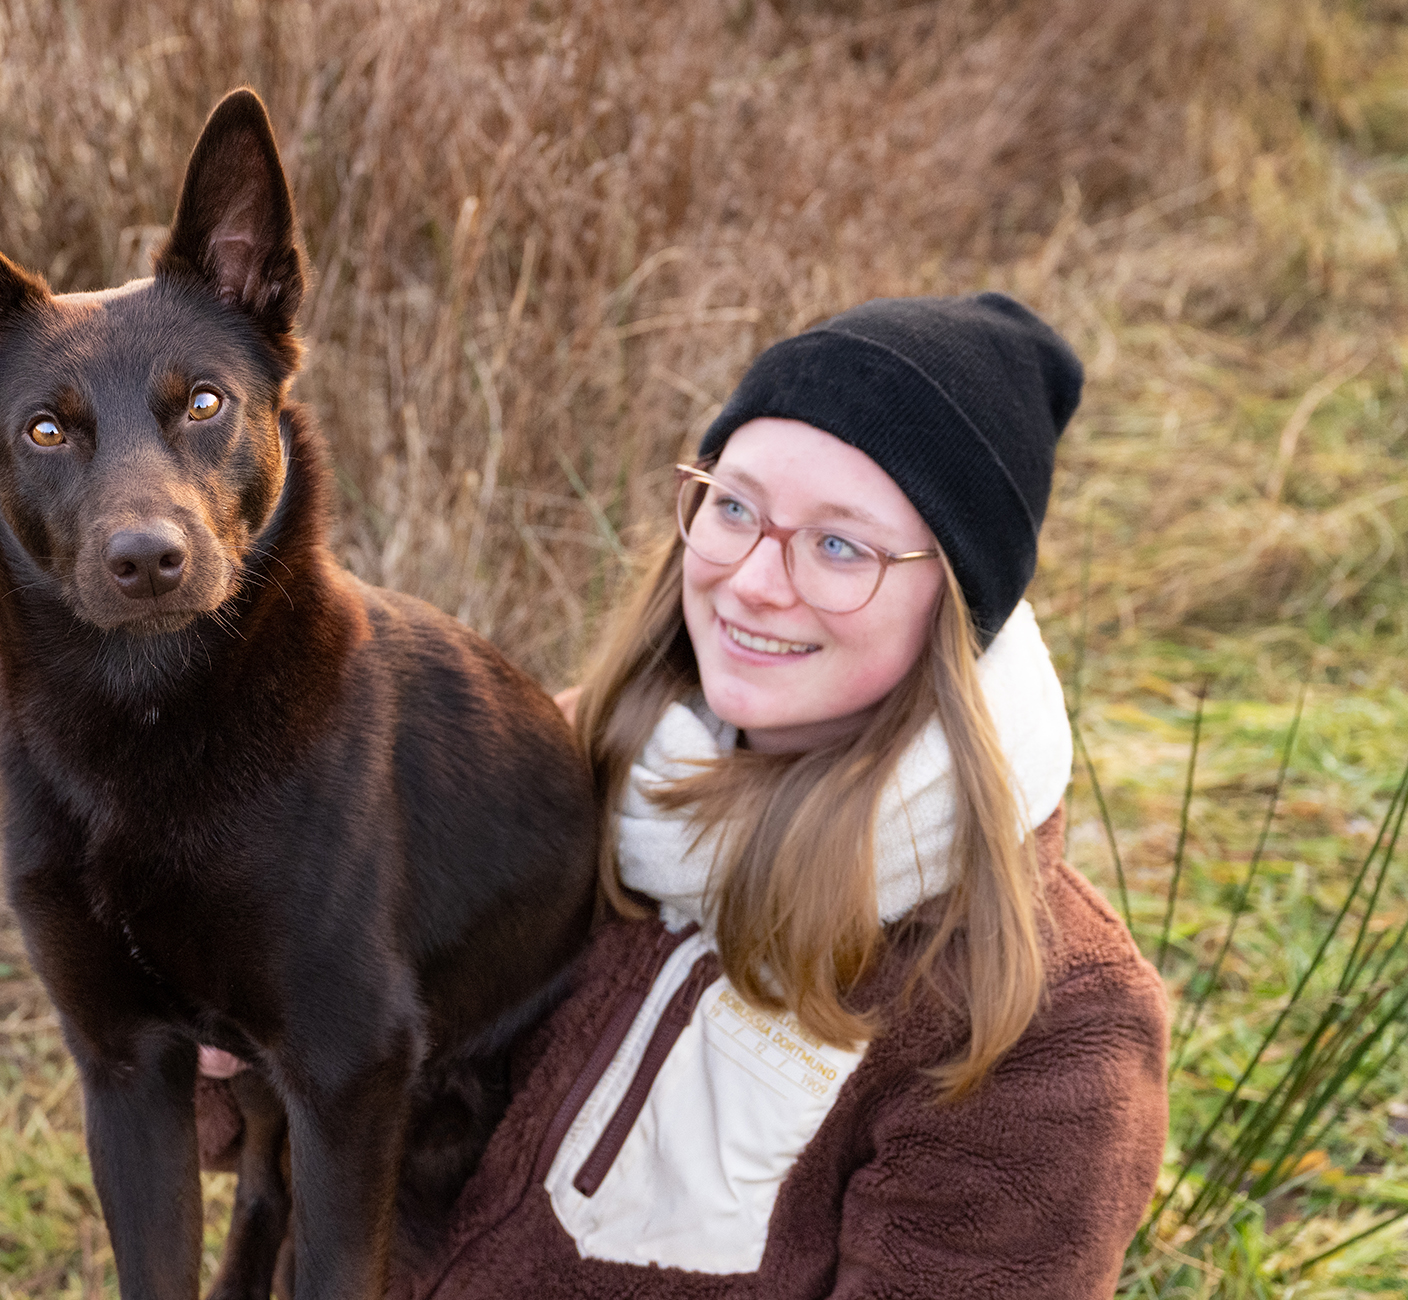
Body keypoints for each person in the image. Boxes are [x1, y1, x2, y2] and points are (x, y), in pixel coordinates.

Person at [397, 293, 1169, 1298]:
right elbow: (320, 1085)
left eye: (838, 544)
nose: (753, 580)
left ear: (955, 606)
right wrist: (220, 1037)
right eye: (732, 506)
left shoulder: (1039, 1020)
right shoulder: (553, 765)